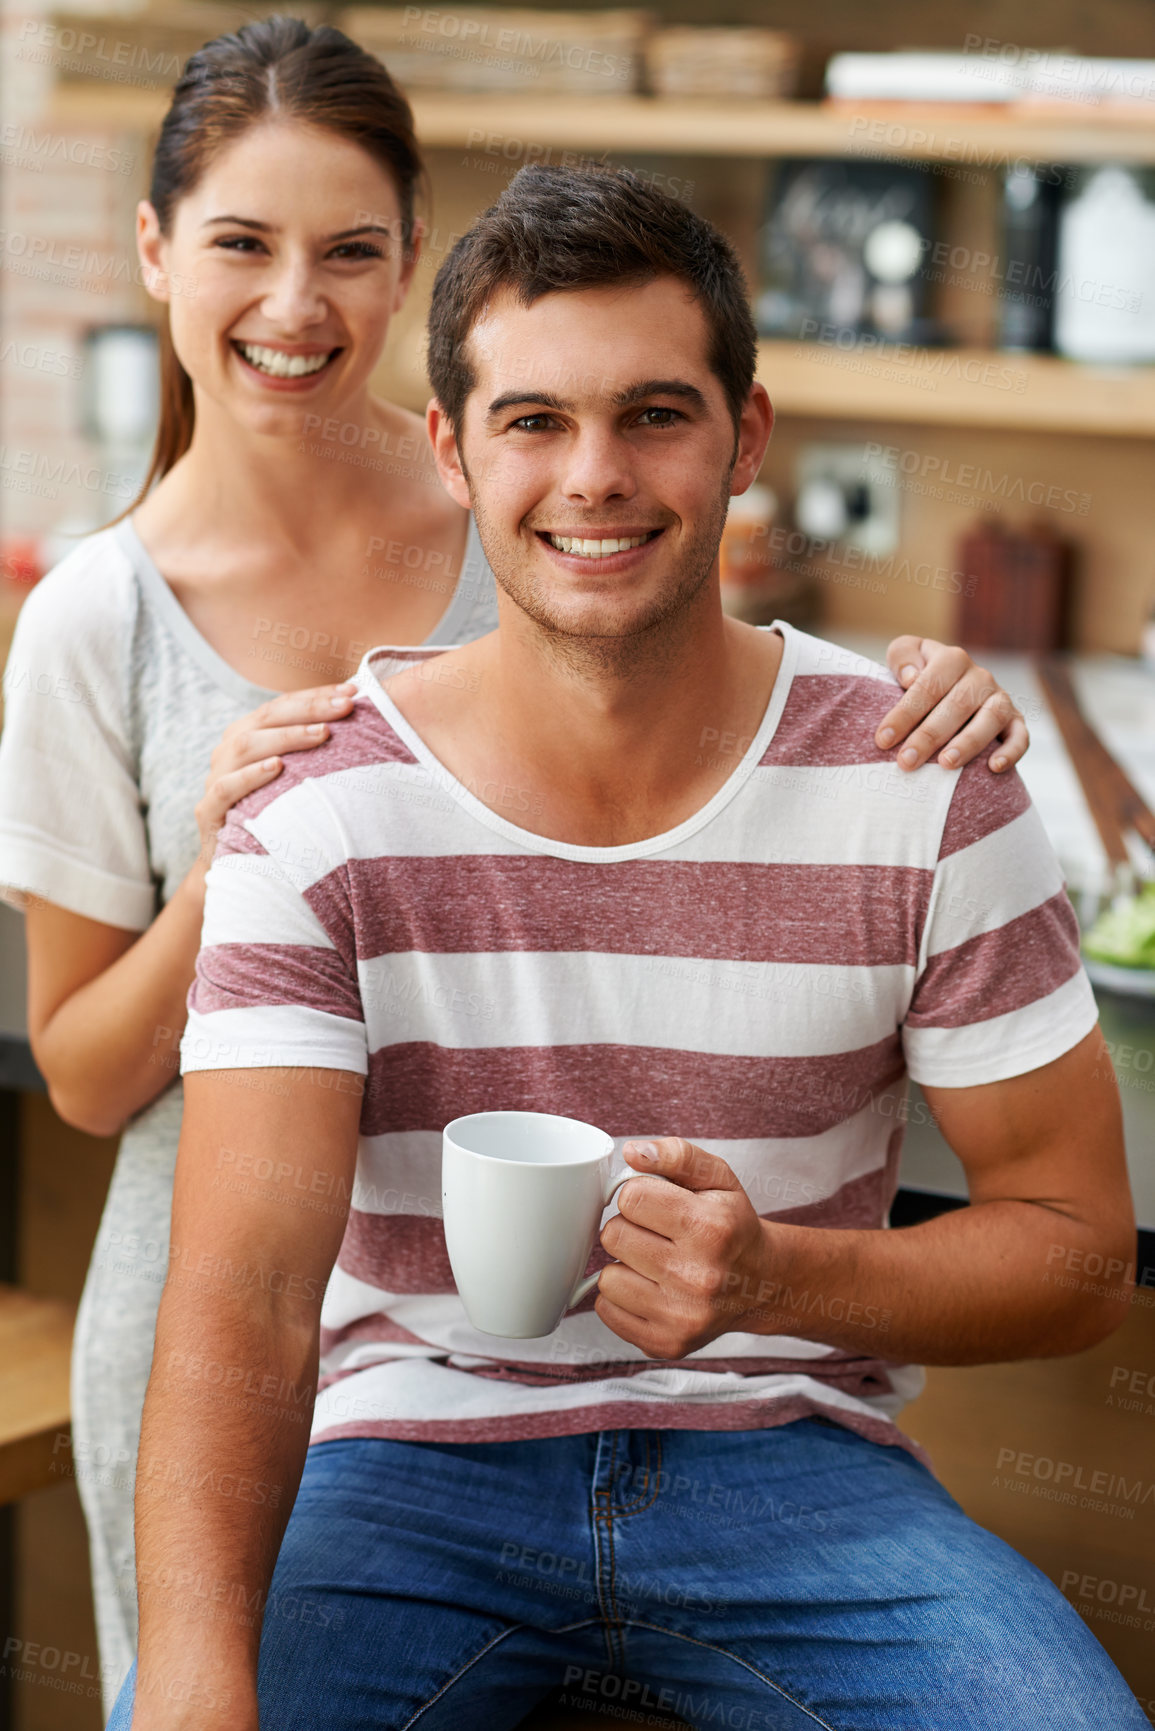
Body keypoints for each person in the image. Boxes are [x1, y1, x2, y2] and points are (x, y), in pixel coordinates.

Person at [0, 21, 1014, 1717]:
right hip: (256, 1312)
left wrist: (930, 700)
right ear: (158, 253)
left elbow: (713, 717)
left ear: (410, 271)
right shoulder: (99, 617)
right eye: (242, 244)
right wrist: (230, 878)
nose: (293, 303)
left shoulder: (537, 506)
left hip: (628, 1342)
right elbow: (90, 1078)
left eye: (351, 250)